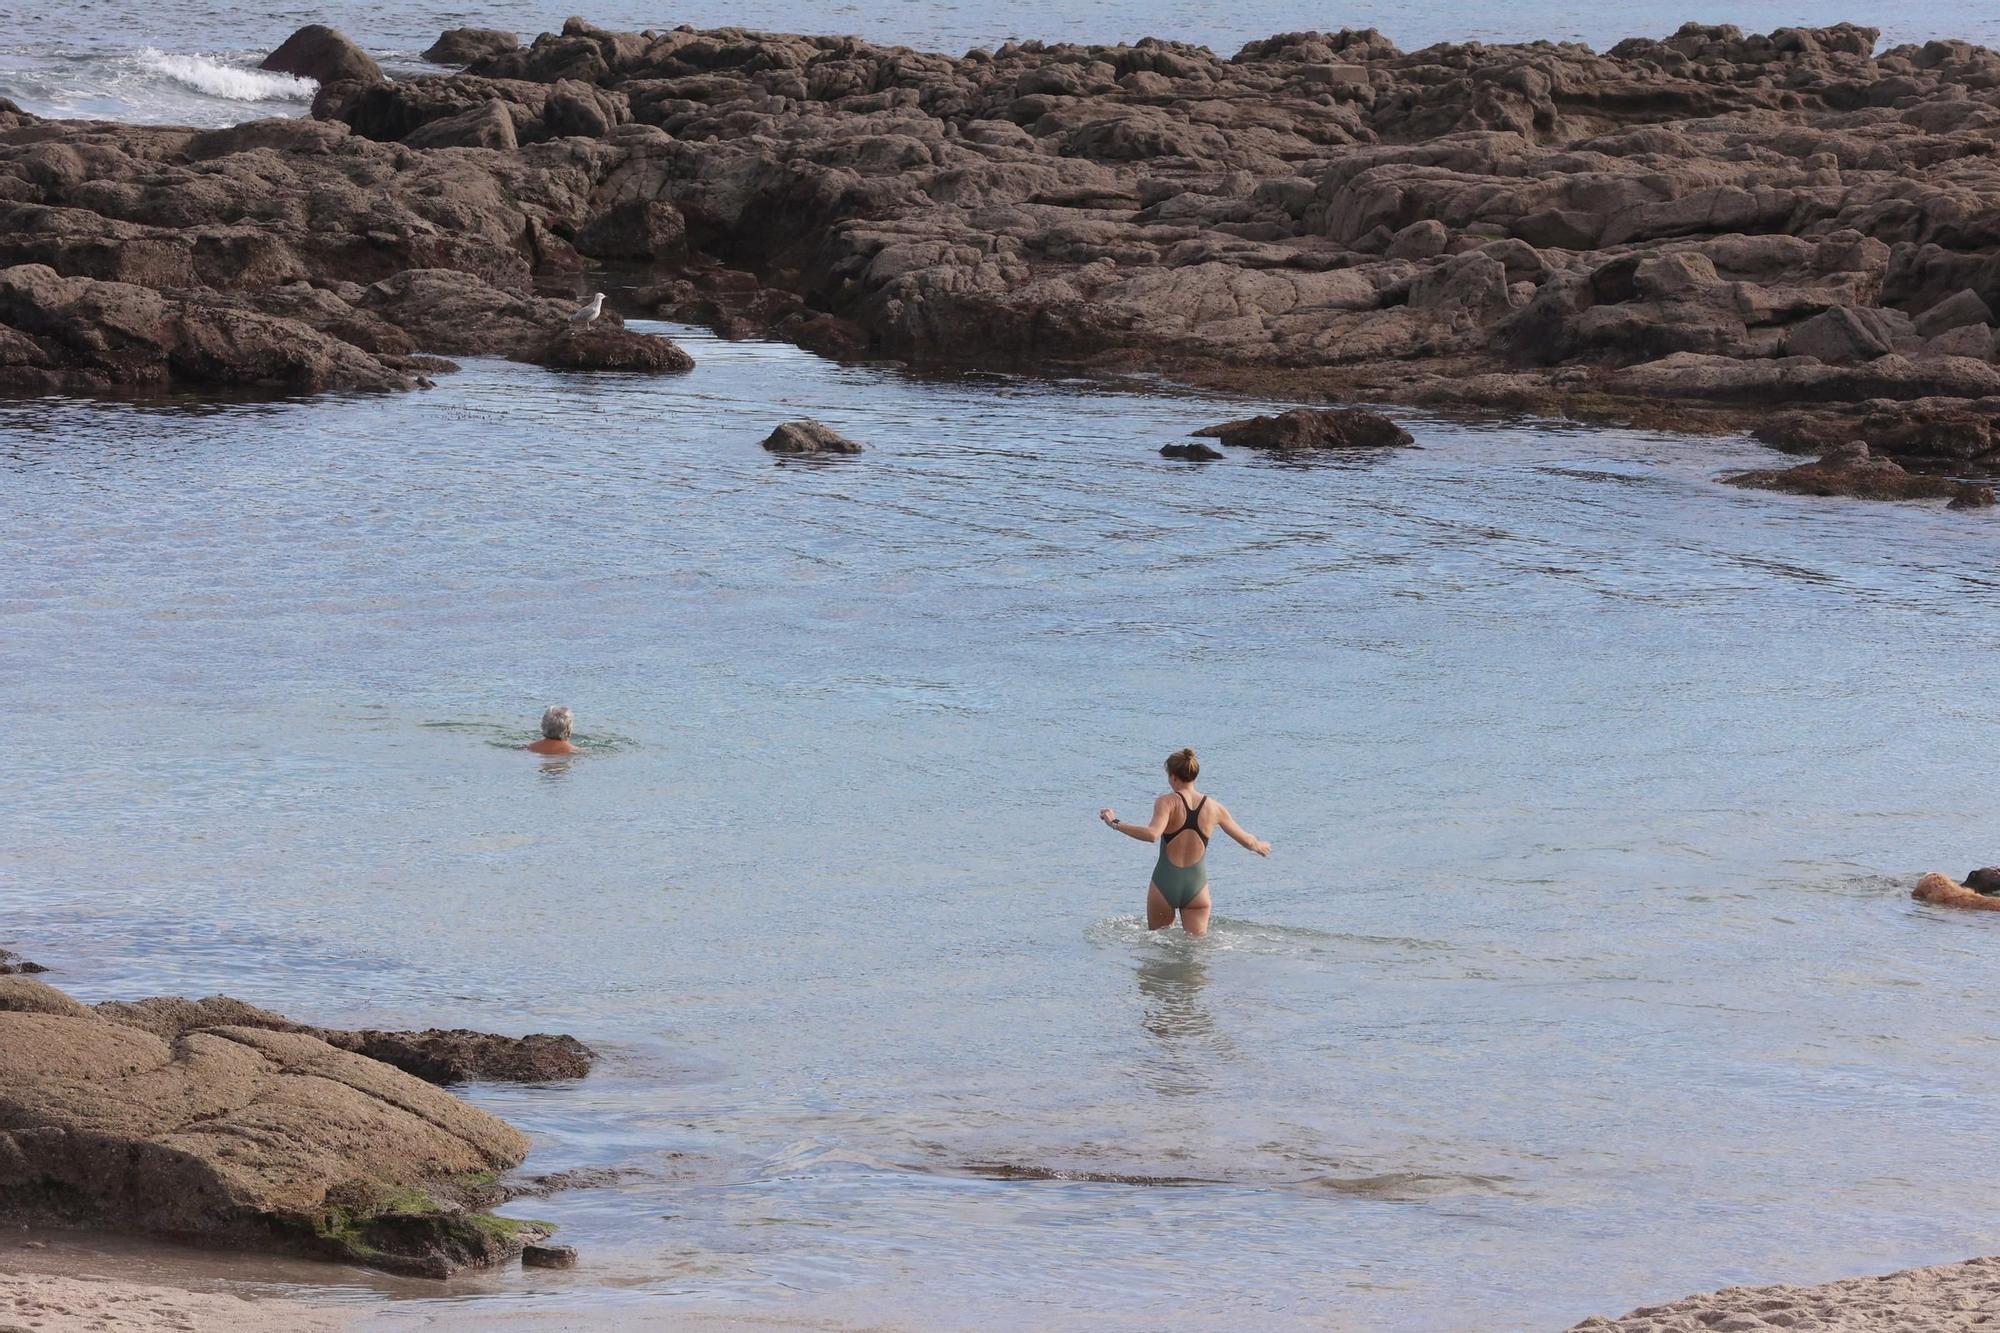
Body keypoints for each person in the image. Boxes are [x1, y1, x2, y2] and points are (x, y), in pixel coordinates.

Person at [1100, 747, 1269, 936]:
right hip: (1197, 888)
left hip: (1164, 884)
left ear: (1173, 776)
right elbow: (1247, 841)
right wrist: (1259, 846)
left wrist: (1114, 823)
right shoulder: (1215, 808)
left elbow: (1152, 834)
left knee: (1158, 946)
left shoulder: (1167, 802)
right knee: (1196, 950)